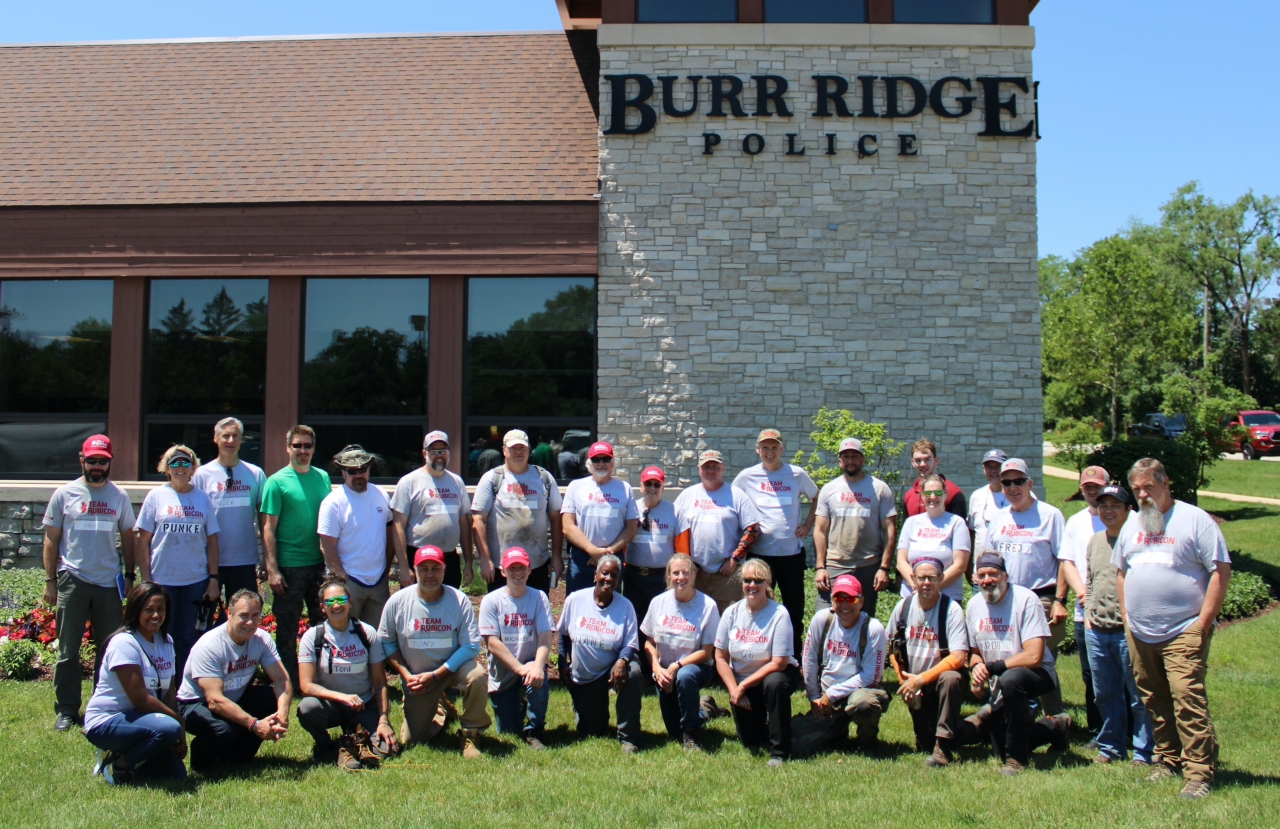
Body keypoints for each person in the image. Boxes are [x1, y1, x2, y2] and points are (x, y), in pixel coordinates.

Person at [1114, 458, 1231, 800]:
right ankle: (1167, 759)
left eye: (1148, 487)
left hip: (1184, 628)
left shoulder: (1195, 520)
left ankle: (1198, 774)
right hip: (1139, 630)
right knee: (1153, 697)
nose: (1142, 495)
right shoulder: (1134, 522)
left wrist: (1203, 625)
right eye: (1136, 489)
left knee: (1186, 698)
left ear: (1166, 484)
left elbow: (1220, 571)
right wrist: (1126, 616)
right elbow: (1122, 571)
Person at [42, 434, 137, 732]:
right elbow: (51, 539)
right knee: (68, 650)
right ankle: (67, 710)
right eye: (92, 460)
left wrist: (130, 576)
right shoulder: (64, 494)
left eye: (103, 461)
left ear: (109, 463)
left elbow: (129, 538)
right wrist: (51, 581)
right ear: (82, 460)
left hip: (108, 581)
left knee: (108, 650)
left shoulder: (119, 497)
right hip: (73, 578)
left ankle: (102, 706)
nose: (97, 466)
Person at [965, 553, 1072, 776]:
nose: (988, 580)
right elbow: (974, 653)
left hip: (1038, 674)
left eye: (993, 574)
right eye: (982, 575)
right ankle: (1055, 727)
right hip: (1001, 679)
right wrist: (976, 669)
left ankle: (1016, 760)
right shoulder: (974, 605)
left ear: (1006, 575)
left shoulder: (1026, 600)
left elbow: (1034, 656)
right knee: (998, 748)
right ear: (976, 579)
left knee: (1011, 679)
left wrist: (992, 668)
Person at [379, 545, 490, 757]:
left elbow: (472, 645)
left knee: (477, 675)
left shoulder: (459, 600)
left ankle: (470, 734)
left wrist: (438, 675)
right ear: (415, 570)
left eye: (435, 568)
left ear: (444, 569)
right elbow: (386, 643)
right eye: (424, 569)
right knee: (414, 740)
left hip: (452, 670)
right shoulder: (398, 601)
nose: (430, 574)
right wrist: (407, 676)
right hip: (418, 678)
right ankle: (441, 709)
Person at [984, 457, 1069, 714]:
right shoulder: (998, 518)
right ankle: (1014, 714)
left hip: (1039, 597)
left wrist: (1060, 600)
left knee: (1039, 659)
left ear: (1030, 483)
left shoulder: (1050, 515)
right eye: (1006, 482)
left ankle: (1055, 718)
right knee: (1011, 658)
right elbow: (990, 559)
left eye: (1018, 481)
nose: (1012, 487)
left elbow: (1065, 559)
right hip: (1005, 599)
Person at [176, 589, 292, 773]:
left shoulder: (261, 639)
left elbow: (281, 680)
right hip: (195, 704)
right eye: (243, 616)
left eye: (255, 616)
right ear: (229, 615)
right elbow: (214, 701)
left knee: (271, 699)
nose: (249, 622)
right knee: (223, 729)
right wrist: (255, 725)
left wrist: (283, 713)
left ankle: (235, 759)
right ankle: (201, 764)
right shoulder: (209, 647)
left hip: (232, 696)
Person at [82, 582, 186, 784]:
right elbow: (140, 700)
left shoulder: (167, 642)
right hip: (107, 720)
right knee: (168, 728)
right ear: (136, 610)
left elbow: (170, 693)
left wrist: (176, 737)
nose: (156, 615)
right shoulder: (124, 643)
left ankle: (132, 755)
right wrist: (178, 723)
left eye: (160, 609)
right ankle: (118, 764)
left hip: (146, 720)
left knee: (176, 775)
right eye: (149, 610)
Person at [136, 445, 221, 680]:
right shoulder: (156, 496)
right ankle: (161, 683)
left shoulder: (202, 498)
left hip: (195, 580)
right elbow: (143, 542)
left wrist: (213, 579)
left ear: (193, 468)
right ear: (167, 468)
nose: (180, 468)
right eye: (175, 463)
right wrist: (145, 579)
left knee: (188, 636)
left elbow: (212, 542)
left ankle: (185, 687)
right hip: (163, 581)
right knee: (163, 634)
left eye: (186, 463)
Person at [1084, 485, 1154, 767]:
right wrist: (1088, 614)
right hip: (1097, 631)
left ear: (1128, 510)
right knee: (1105, 694)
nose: (1108, 510)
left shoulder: (1139, 541)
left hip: (1128, 631)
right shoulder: (1095, 541)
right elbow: (1089, 579)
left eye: (1115, 505)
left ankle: (1144, 751)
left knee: (1138, 696)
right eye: (1103, 505)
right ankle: (1111, 747)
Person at [733, 429, 818, 658]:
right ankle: (759, 654)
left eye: (774, 448)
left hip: (791, 555)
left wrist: (808, 526)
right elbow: (733, 504)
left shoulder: (796, 474)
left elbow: (817, 497)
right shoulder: (746, 477)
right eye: (765, 448)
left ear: (782, 449)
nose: (769, 452)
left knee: (794, 610)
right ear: (757, 450)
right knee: (759, 606)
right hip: (760, 557)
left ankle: (795, 658)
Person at [297, 577, 398, 770]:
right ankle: (327, 746)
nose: (336, 605)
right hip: (331, 706)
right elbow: (306, 686)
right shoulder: (313, 637)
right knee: (307, 708)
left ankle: (353, 736)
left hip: (363, 705)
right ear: (322, 607)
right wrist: (342, 697)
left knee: (386, 749)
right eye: (330, 602)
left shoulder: (367, 633)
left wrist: (383, 720)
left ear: (350, 603)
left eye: (342, 600)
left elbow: (379, 683)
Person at [260, 425, 332, 690]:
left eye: (307, 446)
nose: (303, 451)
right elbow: (268, 528)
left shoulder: (323, 477)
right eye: (297, 446)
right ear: (288, 447)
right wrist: (272, 569)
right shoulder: (276, 482)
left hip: (318, 565)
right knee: (288, 628)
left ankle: (318, 677)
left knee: (322, 624)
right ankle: (288, 681)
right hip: (289, 567)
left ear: (314, 448)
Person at [715, 558, 799, 767]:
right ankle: (712, 708)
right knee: (750, 740)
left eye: (758, 580)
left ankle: (779, 752)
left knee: (774, 683)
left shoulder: (779, 614)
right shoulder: (731, 613)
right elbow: (720, 657)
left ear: (768, 583)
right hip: (744, 682)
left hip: (775, 675)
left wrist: (743, 685)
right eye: (747, 580)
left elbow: (779, 662)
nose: (752, 585)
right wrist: (735, 690)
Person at [886, 558, 970, 767]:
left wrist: (922, 679)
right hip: (915, 685)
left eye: (932, 578)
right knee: (924, 743)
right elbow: (891, 649)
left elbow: (959, 656)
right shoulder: (903, 607)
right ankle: (976, 728)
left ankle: (943, 747)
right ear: (913, 580)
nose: (926, 583)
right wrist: (904, 682)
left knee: (951, 678)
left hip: (940, 682)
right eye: (921, 578)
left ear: (941, 579)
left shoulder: (951, 610)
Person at [558, 555, 642, 752]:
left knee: (634, 672)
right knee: (593, 731)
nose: (609, 579)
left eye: (614, 575)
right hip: (585, 676)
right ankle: (584, 707)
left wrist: (622, 662)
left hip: (612, 670)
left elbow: (630, 644)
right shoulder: (576, 600)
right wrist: (562, 663)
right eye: (605, 573)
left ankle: (629, 737)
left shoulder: (625, 606)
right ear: (595, 575)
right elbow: (562, 635)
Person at [799, 574, 891, 754]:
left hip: (858, 693)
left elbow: (871, 676)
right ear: (832, 601)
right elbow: (809, 659)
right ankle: (836, 730)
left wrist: (833, 694)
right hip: (825, 696)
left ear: (861, 602)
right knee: (799, 744)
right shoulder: (822, 620)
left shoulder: (873, 629)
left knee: (864, 704)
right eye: (839, 599)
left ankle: (867, 741)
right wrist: (814, 697)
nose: (845, 604)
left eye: (851, 598)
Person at [641, 553, 723, 751]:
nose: (681, 577)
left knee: (685, 677)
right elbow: (648, 643)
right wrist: (657, 668)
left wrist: (677, 666)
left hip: (695, 669)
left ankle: (692, 734)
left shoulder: (708, 606)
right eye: (675, 573)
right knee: (673, 732)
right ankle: (705, 710)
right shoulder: (658, 603)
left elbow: (706, 652)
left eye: (686, 572)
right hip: (664, 673)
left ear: (693, 575)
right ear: (668, 576)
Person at [478, 547, 555, 749]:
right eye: (512, 568)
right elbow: (492, 643)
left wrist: (538, 666)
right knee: (508, 732)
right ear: (503, 571)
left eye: (522, 567)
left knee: (539, 678)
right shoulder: (491, 601)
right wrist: (519, 669)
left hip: (529, 664)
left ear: (530, 570)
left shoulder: (539, 597)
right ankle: (517, 704)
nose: (517, 572)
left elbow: (545, 636)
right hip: (504, 670)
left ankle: (534, 730)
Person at [471, 429, 564, 592]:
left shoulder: (544, 478)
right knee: (502, 614)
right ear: (504, 450)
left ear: (529, 450)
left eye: (523, 448)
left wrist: (556, 556)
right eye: (514, 448)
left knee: (536, 613)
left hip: (536, 564)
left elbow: (557, 518)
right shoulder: (492, 479)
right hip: (502, 567)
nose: (518, 452)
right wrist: (485, 559)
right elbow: (478, 520)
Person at [318, 445, 401, 627]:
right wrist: (342, 580)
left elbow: (389, 537)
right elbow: (326, 546)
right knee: (348, 636)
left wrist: (385, 572)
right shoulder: (333, 503)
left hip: (378, 581)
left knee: (379, 639)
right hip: (350, 581)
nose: (358, 475)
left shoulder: (381, 495)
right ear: (343, 472)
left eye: (362, 470)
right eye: (352, 471)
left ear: (369, 469)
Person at [813, 437, 897, 616]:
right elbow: (820, 530)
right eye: (846, 457)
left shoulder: (880, 489)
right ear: (840, 461)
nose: (850, 461)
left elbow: (889, 530)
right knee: (826, 618)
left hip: (868, 565)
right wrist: (820, 567)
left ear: (862, 460)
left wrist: (884, 568)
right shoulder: (829, 489)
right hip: (835, 565)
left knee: (863, 618)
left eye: (854, 456)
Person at [673, 449, 762, 612]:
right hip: (694, 574)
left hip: (726, 574)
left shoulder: (736, 495)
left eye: (715, 466)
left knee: (728, 618)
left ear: (723, 469)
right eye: (706, 467)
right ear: (699, 469)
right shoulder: (687, 496)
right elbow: (675, 530)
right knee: (694, 617)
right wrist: (685, 563)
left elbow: (753, 529)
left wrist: (735, 558)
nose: (710, 471)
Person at [191, 417, 266, 604]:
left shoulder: (255, 474)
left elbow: (265, 521)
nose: (230, 441)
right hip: (208, 563)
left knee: (245, 616)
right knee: (204, 621)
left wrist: (267, 558)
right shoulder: (201, 475)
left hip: (244, 560)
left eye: (235, 436)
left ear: (242, 440)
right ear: (216, 439)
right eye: (226, 436)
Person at [1061, 465, 1109, 742]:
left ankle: (1128, 729)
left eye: (1097, 486)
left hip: (1118, 611)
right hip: (1084, 611)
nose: (1093, 491)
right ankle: (1098, 730)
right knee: (1091, 674)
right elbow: (1067, 561)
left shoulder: (1125, 517)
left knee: (1125, 674)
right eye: (1087, 487)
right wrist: (1083, 594)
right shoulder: (1076, 522)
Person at [391, 430, 472, 588]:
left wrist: (469, 562)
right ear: (424, 453)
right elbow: (398, 525)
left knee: (448, 608)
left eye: (443, 451)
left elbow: (464, 523)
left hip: (449, 560)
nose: (439, 455)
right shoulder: (409, 482)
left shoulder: (457, 482)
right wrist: (404, 566)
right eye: (434, 451)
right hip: (419, 558)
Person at [562, 441, 639, 593]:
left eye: (606, 459)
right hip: (581, 558)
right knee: (578, 605)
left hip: (613, 557)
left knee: (611, 606)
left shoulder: (625, 488)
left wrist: (607, 552)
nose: (601, 463)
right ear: (589, 464)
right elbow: (567, 526)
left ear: (612, 464)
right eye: (596, 460)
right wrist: (593, 551)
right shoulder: (575, 487)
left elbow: (631, 528)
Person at [896, 473, 971, 602]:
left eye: (938, 492)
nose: (933, 497)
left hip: (947, 598)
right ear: (922, 496)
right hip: (912, 595)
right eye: (927, 493)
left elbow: (960, 565)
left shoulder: (956, 523)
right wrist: (918, 587)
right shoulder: (911, 522)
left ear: (945, 494)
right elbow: (901, 562)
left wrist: (931, 588)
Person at [625, 465, 678, 637]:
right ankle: (635, 661)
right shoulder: (630, 508)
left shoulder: (674, 511)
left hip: (661, 577)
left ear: (663, 488)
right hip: (634, 577)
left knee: (660, 620)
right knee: (635, 619)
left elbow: (681, 547)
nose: (652, 489)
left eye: (657, 485)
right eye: (648, 484)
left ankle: (655, 661)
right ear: (641, 487)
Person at [903, 438, 966, 518]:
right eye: (918, 460)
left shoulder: (953, 493)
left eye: (927, 459)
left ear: (936, 461)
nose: (922, 464)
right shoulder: (909, 496)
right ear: (913, 463)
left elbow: (960, 528)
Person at [967, 449, 1010, 556]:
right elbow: (972, 533)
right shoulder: (976, 496)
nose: (993, 471)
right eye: (989, 467)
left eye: (998, 466)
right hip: (982, 567)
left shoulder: (1019, 495)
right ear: (983, 469)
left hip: (1009, 566)